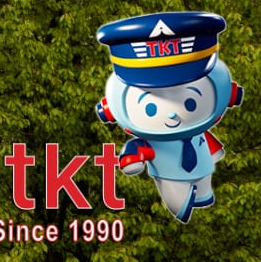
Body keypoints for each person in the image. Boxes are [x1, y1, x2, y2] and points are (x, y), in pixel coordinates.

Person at [95, 12, 242, 222]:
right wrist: (132, 159)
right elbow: (135, 153)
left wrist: (215, 152)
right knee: (177, 200)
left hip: (203, 171)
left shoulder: (204, 121)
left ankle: (202, 197)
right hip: (169, 176)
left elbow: (209, 145)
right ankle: (182, 206)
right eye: (152, 106)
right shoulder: (148, 138)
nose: (173, 113)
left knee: (203, 194)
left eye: (188, 101)